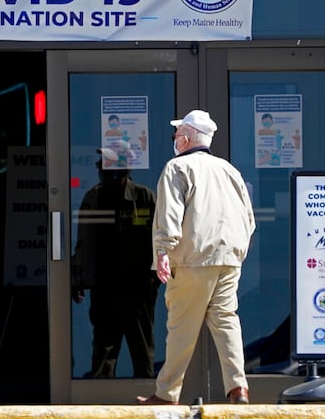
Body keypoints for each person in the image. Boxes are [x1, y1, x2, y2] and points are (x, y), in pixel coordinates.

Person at [137, 109, 255, 405]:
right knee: (226, 321)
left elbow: (170, 214)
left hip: (192, 259)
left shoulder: (177, 168)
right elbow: (249, 218)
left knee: (181, 327)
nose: (174, 139)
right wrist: (237, 250)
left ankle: (166, 394)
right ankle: (238, 387)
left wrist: (163, 250)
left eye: (176, 134)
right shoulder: (230, 170)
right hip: (229, 258)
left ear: (187, 137)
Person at [71, 148, 159, 378]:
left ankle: (147, 397)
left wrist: (153, 279)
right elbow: (83, 242)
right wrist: (77, 278)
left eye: (106, 164)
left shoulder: (144, 197)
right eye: (101, 164)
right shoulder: (93, 197)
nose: (100, 168)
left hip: (137, 289)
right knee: (103, 349)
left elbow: (162, 240)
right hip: (105, 286)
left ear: (122, 170)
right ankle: (102, 400)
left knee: (141, 348)